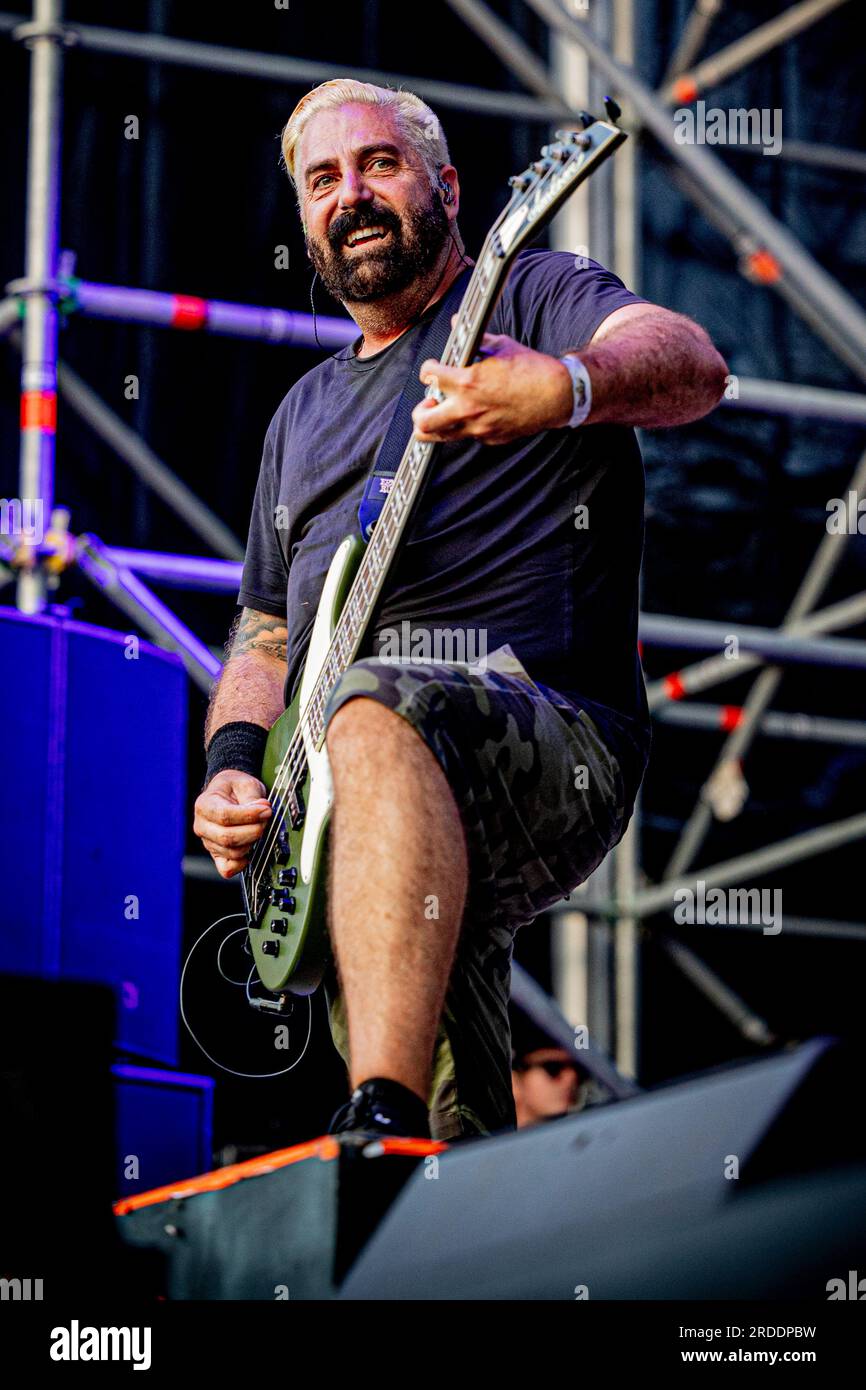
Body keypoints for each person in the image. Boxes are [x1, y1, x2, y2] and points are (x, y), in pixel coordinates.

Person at [193, 78, 727, 1143]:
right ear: (304, 218)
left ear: (443, 185)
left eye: (378, 164)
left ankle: (371, 1120)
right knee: (462, 1137)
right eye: (322, 179)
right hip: (354, 797)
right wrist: (232, 765)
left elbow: (693, 366)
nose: (351, 193)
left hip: (550, 734)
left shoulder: (530, 293)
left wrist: (563, 387)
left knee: (373, 704)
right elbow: (262, 633)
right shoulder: (298, 417)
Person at [510, 1009, 587, 1128]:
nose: (571, 1078)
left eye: (579, 1070)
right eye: (553, 1068)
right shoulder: (480, 1142)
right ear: (513, 1080)